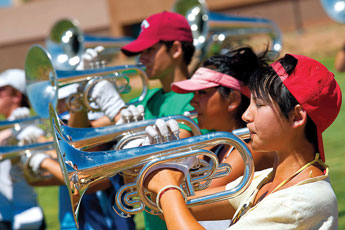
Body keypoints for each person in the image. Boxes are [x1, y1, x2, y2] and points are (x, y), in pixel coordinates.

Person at [144, 53, 341, 229]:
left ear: (297, 117)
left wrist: (168, 187)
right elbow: (169, 209)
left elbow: (170, 200)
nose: (246, 115)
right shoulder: (265, 181)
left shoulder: (299, 201)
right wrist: (160, 166)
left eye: (260, 104)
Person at [67, 11, 199, 230]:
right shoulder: (147, 99)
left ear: (176, 49)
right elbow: (83, 145)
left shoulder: (198, 98)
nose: (141, 58)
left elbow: (176, 153)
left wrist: (114, 107)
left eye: (150, 50)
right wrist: (81, 94)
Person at [0, 69, 46, 230]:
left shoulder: (29, 130)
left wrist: (18, 130)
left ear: (17, 96)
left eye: (1, 91)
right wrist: (11, 130)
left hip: (26, 216)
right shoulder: (10, 129)